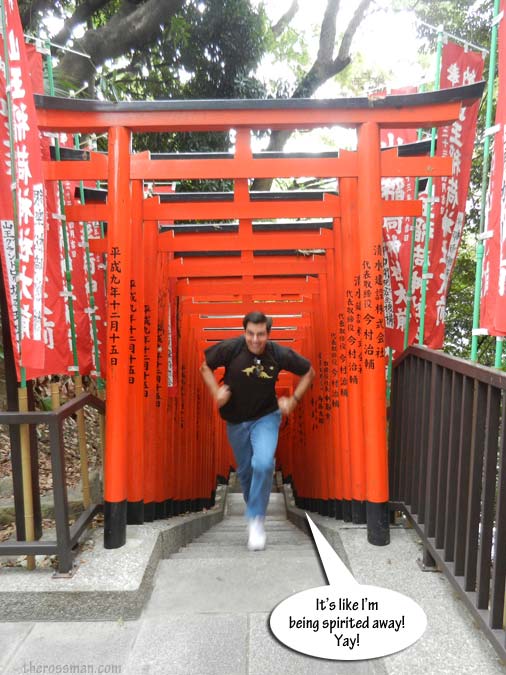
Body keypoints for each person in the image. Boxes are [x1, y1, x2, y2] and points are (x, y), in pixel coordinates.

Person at [200, 311, 315, 551]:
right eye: (250, 334)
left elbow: (309, 372)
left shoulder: (278, 353)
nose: (255, 340)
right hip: (235, 421)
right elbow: (204, 367)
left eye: (260, 334)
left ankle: (256, 520)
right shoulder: (231, 349)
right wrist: (215, 392)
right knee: (245, 472)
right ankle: (254, 509)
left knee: (263, 464)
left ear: (268, 334)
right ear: (245, 332)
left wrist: (293, 399)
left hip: (266, 417)